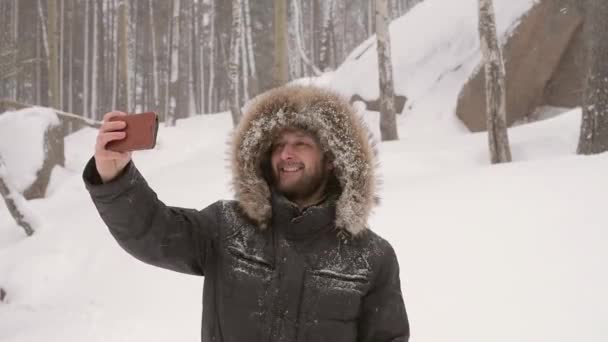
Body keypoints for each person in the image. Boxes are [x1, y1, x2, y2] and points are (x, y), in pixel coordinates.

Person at [83, 85, 410, 342]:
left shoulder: (372, 256)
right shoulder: (226, 226)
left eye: (301, 143)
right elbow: (152, 234)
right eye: (278, 144)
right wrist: (115, 178)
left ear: (332, 159)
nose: (286, 153)